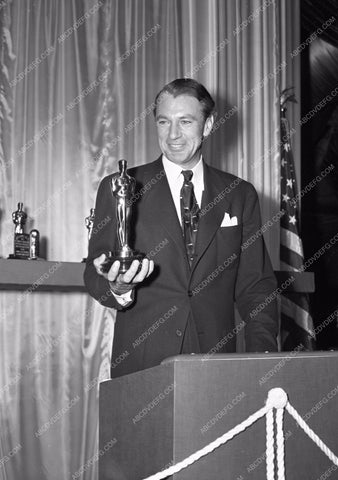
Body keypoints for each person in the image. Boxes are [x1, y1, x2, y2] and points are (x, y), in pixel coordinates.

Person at [84, 78, 278, 378]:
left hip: (218, 368)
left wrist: (264, 362)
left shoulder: (239, 194)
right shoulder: (121, 188)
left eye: (185, 121)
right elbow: (93, 272)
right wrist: (118, 287)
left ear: (208, 124)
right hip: (143, 367)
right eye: (164, 121)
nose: (173, 134)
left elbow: (257, 288)